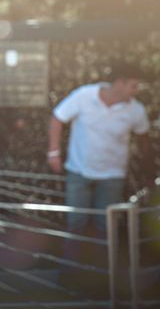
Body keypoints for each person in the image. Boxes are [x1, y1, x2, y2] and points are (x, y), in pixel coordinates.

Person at [48, 63, 151, 250]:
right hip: (79, 171)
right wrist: (54, 152)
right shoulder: (85, 95)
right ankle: (71, 273)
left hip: (112, 175)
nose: (135, 91)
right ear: (120, 83)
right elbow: (58, 118)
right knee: (76, 224)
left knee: (105, 226)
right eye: (133, 86)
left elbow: (143, 137)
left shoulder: (136, 110)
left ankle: (102, 274)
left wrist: (147, 166)